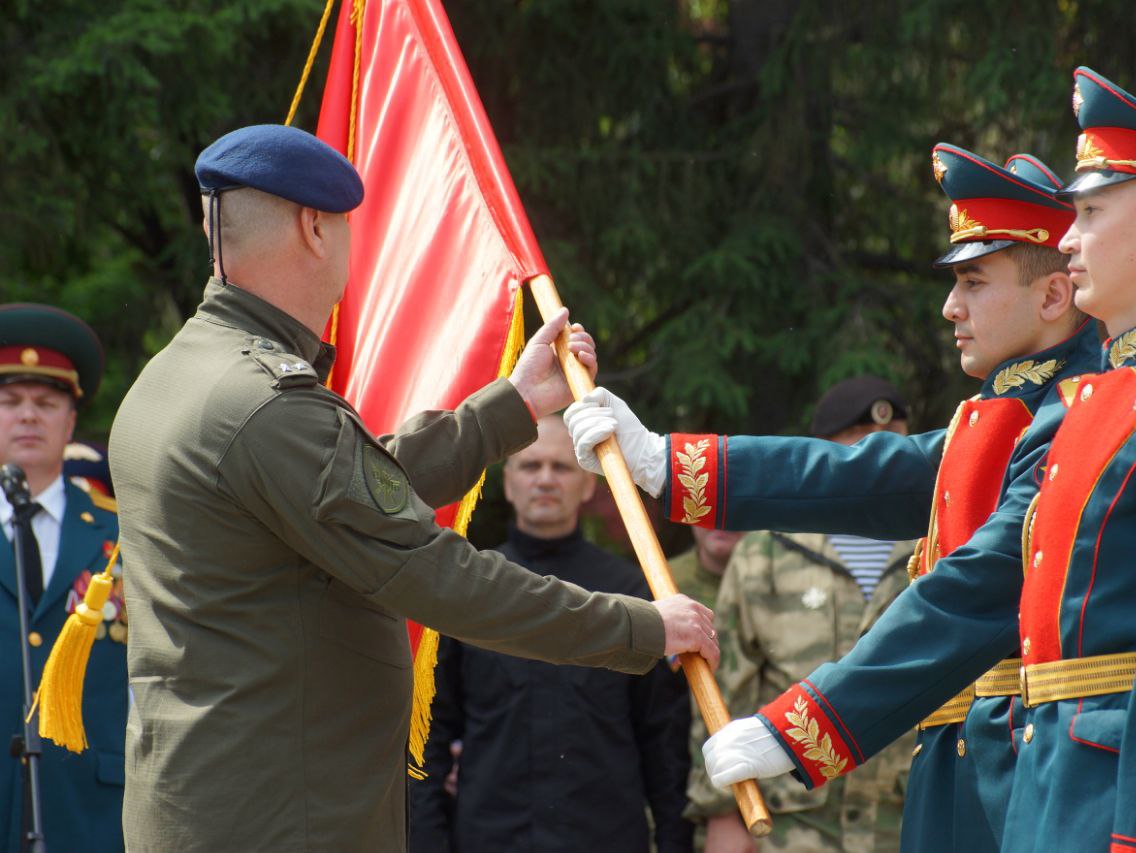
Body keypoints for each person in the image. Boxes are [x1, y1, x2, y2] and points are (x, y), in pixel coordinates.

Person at [703, 67, 1136, 853]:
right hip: (1059, 798)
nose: (1068, 238)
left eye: (1090, 212)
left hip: (1134, 814)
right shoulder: (1107, 393)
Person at [107, 124, 717, 852]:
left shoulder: (180, 373)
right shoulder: (266, 403)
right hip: (285, 819)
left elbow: (353, 490)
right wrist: (643, 627)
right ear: (313, 227)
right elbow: (437, 573)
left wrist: (513, 405)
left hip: (218, 803)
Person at [567, 143, 1099, 851]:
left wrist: (802, 722)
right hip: (990, 766)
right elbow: (860, 475)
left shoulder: (1080, 413)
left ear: (1053, 293)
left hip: (1040, 773)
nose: (950, 307)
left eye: (973, 281)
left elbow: (973, 590)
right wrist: (665, 461)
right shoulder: (1012, 410)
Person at [410, 415, 692, 852]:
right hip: (491, 836)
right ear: (507, 485)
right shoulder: (467, 589)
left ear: (586, 486)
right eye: (529, 466)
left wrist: (676, 842)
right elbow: (429, 733)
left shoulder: (634, 594)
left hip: (603, 837)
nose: (545, 479)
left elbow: (663, 741)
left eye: (561, 467)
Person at [686, 377, 916, 853]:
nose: (881, 463)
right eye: (860, 447)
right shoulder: (764, 555)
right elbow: (723, 694)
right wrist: (725, 816)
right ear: (822, 457)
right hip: (793, 829)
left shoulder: (943, 546)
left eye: (895, 446)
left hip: (909, 822)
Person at [0, 304, 124, 852]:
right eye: (9, 402)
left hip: (93, 815)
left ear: (71, 421)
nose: (29, 416)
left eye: (47, 404)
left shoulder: (125, 535)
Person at [667, 527, 747, 612]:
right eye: (709, 513)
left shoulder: (762, 581)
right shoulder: (661, 579)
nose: (722, 522)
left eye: (740, 513)